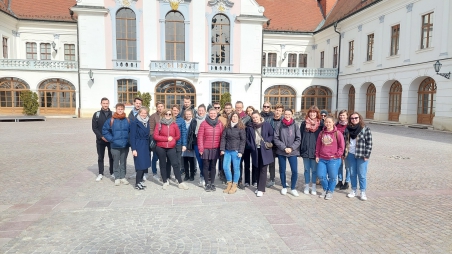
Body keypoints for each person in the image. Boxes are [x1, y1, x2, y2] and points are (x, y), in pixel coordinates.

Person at [153, 109, 189, 190]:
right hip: (160, 147)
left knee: (175, 163)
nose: (168, 115)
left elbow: (178, 136)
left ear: (172, 115)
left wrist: (172, 139)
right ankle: (165, 181)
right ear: (163, 114)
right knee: (162, 164)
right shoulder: (159, 124)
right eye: (166, 114)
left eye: (169, 114)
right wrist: (166, 138)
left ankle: (180, 182)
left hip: (171, 147)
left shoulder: (174, 124)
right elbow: (155, 136)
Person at [345, 112, 373, 201]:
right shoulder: (347, 129)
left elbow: (369, 143)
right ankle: (353, 190)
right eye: (352, 118)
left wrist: (367, 155)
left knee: (362, 174)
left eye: (356, 118)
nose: (354, 120)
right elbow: (345, 141)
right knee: (352, 173)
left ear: (359, 118)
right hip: (350, 154)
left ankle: (363, 192)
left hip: (361, 155)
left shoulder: (365, 129)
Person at [316, 116, 345, 200]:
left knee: (332, 177)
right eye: (326, 122)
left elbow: (341, 146)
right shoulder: (321, 133)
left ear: (333, 123)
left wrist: (337, 155)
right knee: (321, 175)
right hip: (322, 158)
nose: (328, 124)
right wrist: (317, 155)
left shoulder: (338, 133)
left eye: (329, 122)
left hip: (333, 159)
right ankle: (325, 189)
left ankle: (330, 191)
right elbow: (318, 145)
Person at [274, 108, 301, 196]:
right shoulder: (279, 125)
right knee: (282, 170)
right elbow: (276, 138)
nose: (287, 116)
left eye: (289, 114)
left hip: (293, 152)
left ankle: (293, 188)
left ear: (292, 115)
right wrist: (284, 147)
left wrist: (291, 148)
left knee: (294, 171)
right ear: (283, 114)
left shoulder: (295, 125)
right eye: (286, 114)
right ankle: (284, 186)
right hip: (282, 151)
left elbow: (298, 139)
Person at [246, 111, 274, 197]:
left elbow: (272, 135)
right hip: (255, 150)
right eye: (253, 118)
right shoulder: (250, 127)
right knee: (257, 168)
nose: (255, 119)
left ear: (259, 117)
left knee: (263, 169)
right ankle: (258, 187)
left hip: (264, 149)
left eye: (256, 117)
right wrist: (251, 145)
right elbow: (247, 138)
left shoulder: (266, 125)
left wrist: (266, 141)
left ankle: (261, 189)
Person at [102, 103, 130, 186]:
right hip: (114, 145)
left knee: (123, 161)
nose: (120, 110)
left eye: (121, 109)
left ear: (124, 110)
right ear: (116, 110)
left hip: (125, 145)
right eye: (119, 109)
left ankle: (123, 177)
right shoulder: (111, 120)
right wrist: (111, 139)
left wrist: (128, 140)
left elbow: (131, 131)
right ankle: (117, 177)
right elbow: (105, 131)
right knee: (115, 161)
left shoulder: (127, 120)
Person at [197, 108, 224, 191]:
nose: (213, 115)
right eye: (211, 113)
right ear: (208, 114)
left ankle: (212, 183)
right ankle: (207, 184)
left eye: (214, 113)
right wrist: (201, 149)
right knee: (205, 166)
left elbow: (222, 137)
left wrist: (221, 149)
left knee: (213, 166)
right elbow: (200, 137)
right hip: (206, 149)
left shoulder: (220, 124)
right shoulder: (204, 123)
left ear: (217, 114)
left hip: (215, 149)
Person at [220, 112, 246, 194]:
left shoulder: (241, 128)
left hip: (236, 151)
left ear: (238, 118)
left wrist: (241, 151)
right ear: (231, 118)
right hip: (227, 150)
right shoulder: (227, 127)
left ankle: (234, 185)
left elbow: (243, 140)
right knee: (225, 167)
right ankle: (229, 183)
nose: (234, 118)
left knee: (236, 168)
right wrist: (222, 149)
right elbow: (223, 138)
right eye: (233, 116)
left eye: (236, 117)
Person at [299, 105, 323, 195]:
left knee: (314, 170)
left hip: (315, 151)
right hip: (305, 150)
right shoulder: (303, 123)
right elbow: (300, 137)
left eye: (314, 112)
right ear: (308, 113)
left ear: (317, 114)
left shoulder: (321, 124)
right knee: (306, 169)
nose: (312, 114)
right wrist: (300, 149)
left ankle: (313, 186)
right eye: (311, 112)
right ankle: (306, 186)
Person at [92, 97, 114, 181]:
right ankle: (100, 173)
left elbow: (115, 126)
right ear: (101, 104)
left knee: (111, 157)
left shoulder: (113, 114)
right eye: (104, 103)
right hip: (100, 140)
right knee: (100, 157)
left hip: (110, 140)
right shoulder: (96, 114)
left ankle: (112, 172)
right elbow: (94, 128)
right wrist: (101, 136)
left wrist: (110, 137)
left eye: (106, 103)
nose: (105, 105)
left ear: (109, 104)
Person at [130, 107, 151, 190]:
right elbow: (132, 137)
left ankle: (141, 181)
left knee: (144, 164)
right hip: (138, 145)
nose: (143, 114)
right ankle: (137, 183)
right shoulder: (135, 122)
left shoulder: (147, 122)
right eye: (142, 113)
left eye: (145, 113)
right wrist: (133, 149)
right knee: (140, 164)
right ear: (139, 113)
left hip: (145, 145)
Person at [128, 97, 147, 180]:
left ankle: (144, 173)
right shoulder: (131, 113)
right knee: (137, 157)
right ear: (134, 103)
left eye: (140, 103)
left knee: (144, 157)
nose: (138, 104)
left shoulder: (145, 114)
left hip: (143, 140)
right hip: (135, 139)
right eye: (137, 103)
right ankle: (138, 173)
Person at [167, 105, 187, 180]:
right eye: (174, 110)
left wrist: (184, 144)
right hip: (169, 144)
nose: (175, 112)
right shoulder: (167, 118)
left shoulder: (181, 120)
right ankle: (167, 176)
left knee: (178, 161)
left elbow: (184, 132)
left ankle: (177, 176)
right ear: (171, 110)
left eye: (177, 110)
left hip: (178, 143)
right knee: (168, 160)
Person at [267, 103, 283, 187]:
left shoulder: (284, 120)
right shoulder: (269, 120)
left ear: (282, 112)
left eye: (280, 111)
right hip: (271, 145)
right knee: (271, 163)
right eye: (277, 110)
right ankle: (272, 179)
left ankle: (282, 180)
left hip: (281, 145)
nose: (278, 112)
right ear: (274, 110)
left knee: (282, 163)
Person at [149, 101, 165, 181]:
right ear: (156, 107)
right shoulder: (153, 116)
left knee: (164, 158)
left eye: (161, 106)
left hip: (165, 141)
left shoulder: (167, 115)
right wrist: (154, 138)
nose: (160, 108)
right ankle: (154, 172)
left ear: (164, 106)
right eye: (158, 106)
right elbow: (151, 129)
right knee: (155, 158)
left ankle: (164, 174)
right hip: (156, 140)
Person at [335, 110, 349, 190]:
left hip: (347, 148)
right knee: (339, 165)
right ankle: (340, 181)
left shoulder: (349, 126)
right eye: (340, 115)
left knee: (348, 167)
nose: (342, 117)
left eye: (343, 115)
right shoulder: (336, 125)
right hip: (338, 148)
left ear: (347, 116)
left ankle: (347, 182)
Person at [194, 104, 207, 186]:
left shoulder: (208, 119)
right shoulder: (194, 120)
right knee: (200, 161)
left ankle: (206, 176)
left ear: (205, 111)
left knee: (206, 161)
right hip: (196, 143)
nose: (201, 112)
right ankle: (202, 176)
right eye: (199, 110)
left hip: (206, 143)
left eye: (202, 110)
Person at [183, 109, 197, 181]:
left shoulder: (194, 122)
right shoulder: (183, 122)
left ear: (192, 114)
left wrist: (190, 144)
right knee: (185, 160)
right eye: (187, 114)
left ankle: (192, 175)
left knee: (191, 160)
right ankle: (186, 175)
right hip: (184, 144)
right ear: (185, 115)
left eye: (189, 114)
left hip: (191, 143)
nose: (188, 115)